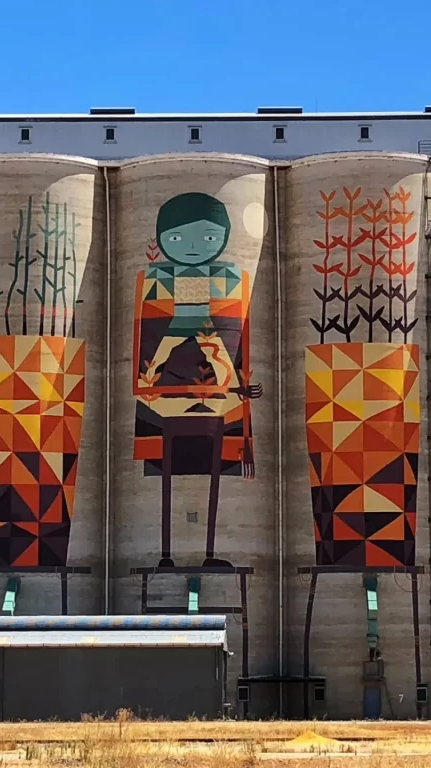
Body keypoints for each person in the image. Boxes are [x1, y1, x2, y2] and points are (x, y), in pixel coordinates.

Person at [132, 192, 262, 568]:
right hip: (168, 393)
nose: (191, 248)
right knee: (168, 470)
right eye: (177, 239)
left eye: (206, 238)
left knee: (216, 467)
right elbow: (151, 333)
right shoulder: (154, 279)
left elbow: (235, 333)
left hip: (215, 393)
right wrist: (147, 380)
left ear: (222, 238)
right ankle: (167, 554)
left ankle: (208, 553)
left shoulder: (233, 278)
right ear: (160, 240)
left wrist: (236, 381)